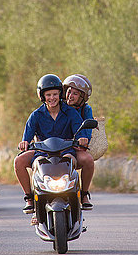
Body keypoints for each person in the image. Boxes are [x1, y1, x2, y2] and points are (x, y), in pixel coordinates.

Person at [14, 73, 91, 214]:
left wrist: (82, 138)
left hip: (66, 152)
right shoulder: (36, 115)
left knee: (79, 161)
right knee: (18, 161)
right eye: (48, 95)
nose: (52, 98)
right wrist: (24, 142)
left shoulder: (71, 113)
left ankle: (83, 195)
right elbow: (27, 137)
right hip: (42, 153)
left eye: (55, 94)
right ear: (42, 96)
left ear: (60, 94)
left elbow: (79, 131)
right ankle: (29, 197)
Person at [62, 74, 95, 209]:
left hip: (75, 148)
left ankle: (84, 193)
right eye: (69, 91)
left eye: (75, 94)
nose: (70, 96)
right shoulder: (59, 106)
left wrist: (83, 140)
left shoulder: (85, 110)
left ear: (82, 97)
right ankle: (35, 202)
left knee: (88, 160)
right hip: (56, 147)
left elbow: (88, 131)